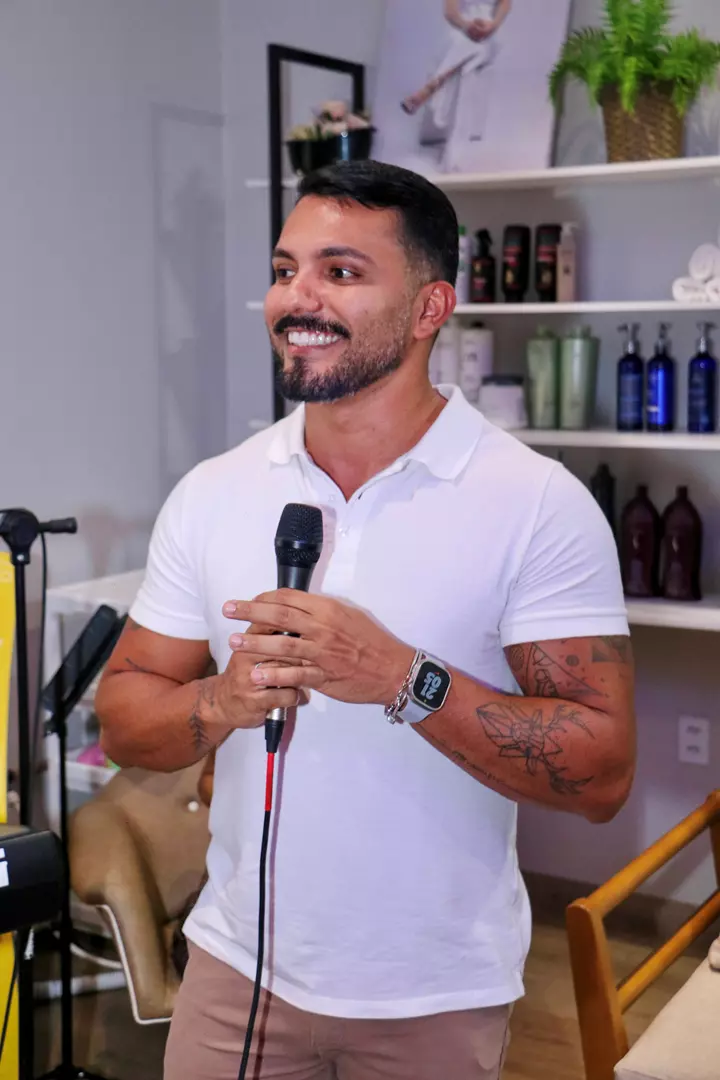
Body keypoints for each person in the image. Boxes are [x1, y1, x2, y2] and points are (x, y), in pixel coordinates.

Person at [95, 159, 636, 1080]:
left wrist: (400, 678)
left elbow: (602, 774)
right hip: (233, 975)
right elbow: (123, 719)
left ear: (430, 308)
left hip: (434, 995)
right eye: (284, 269)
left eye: (340, 272)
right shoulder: (214, 492)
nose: (295, 298)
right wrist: (222, 702)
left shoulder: (537, 503)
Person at [401, 0, 512, 171]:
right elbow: (450, 13)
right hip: (461, 29)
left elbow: (505, 4)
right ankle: (455, 154)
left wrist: (492, 26)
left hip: (489, 34)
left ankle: (428, 89)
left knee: (474, 48)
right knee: (468, 59)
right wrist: (468, 27)